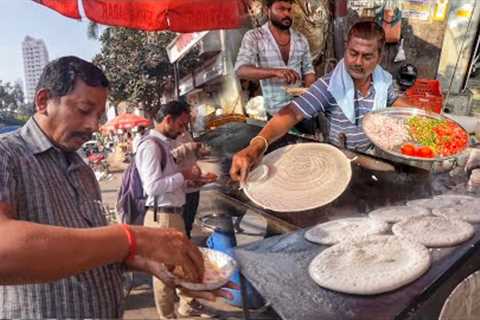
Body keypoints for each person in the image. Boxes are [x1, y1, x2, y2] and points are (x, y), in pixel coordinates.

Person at [0, 56, 229, 319]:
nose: (93, 126)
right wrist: (130, 238)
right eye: (84, 110)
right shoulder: (6, 154)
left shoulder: (82, 169)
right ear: (43, 101)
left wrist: (141, 260)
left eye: (98, 115)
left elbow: (89, 247)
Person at [230, 21, 411, 182]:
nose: (358, 62)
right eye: (353, 53)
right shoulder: (330, 86)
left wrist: (422, 119)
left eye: (367, 56)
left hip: (372, 159)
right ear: (346, 48)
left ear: (379, 58)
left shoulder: (383, 82)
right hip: (340, 161)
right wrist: (257, 145)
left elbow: (397, 102)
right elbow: (292, 112)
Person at [136, 101, 212, 319]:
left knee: (184, 264)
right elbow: (152, 187)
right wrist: (185, 176)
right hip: (162, 217)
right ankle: (168, 316)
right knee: (164, 273)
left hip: (173, 213)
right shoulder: (150, 145)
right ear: (168, 119)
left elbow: (169, 182)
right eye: (181, 124)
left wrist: (193, 183)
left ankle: (187, 305)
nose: (183, 130)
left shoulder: (166, 144)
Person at [235, 0, 318, 134]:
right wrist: (275, 72)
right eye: (281, 9)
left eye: (289, 10)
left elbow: (309, 70)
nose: (286, 14)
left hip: (302, 110)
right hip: (276, 115)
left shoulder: (300, 39)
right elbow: (241, 70)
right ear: (268, 10)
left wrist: (309, 92)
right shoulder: (255, 37)